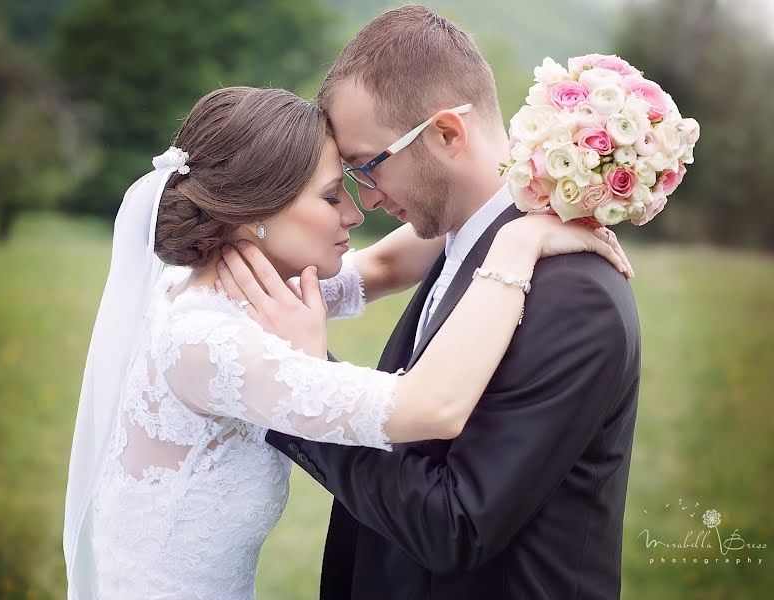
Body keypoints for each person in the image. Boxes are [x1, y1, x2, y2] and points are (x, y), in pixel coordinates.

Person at [63, 85, 629, 599]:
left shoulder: (240, 291)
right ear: (252, 211)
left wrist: (539, 183)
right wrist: (518, 247)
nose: (356, 212)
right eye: (333, 196)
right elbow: (433, 407)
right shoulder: (208, 343)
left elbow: (384, 264)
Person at [247, 6, 642, 600]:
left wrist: (301, 384)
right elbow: (378, 265)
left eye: (367, 167)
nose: (367, 200)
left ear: (446, 134)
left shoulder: (573, 296)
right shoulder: (463, 240)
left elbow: (455, 526)